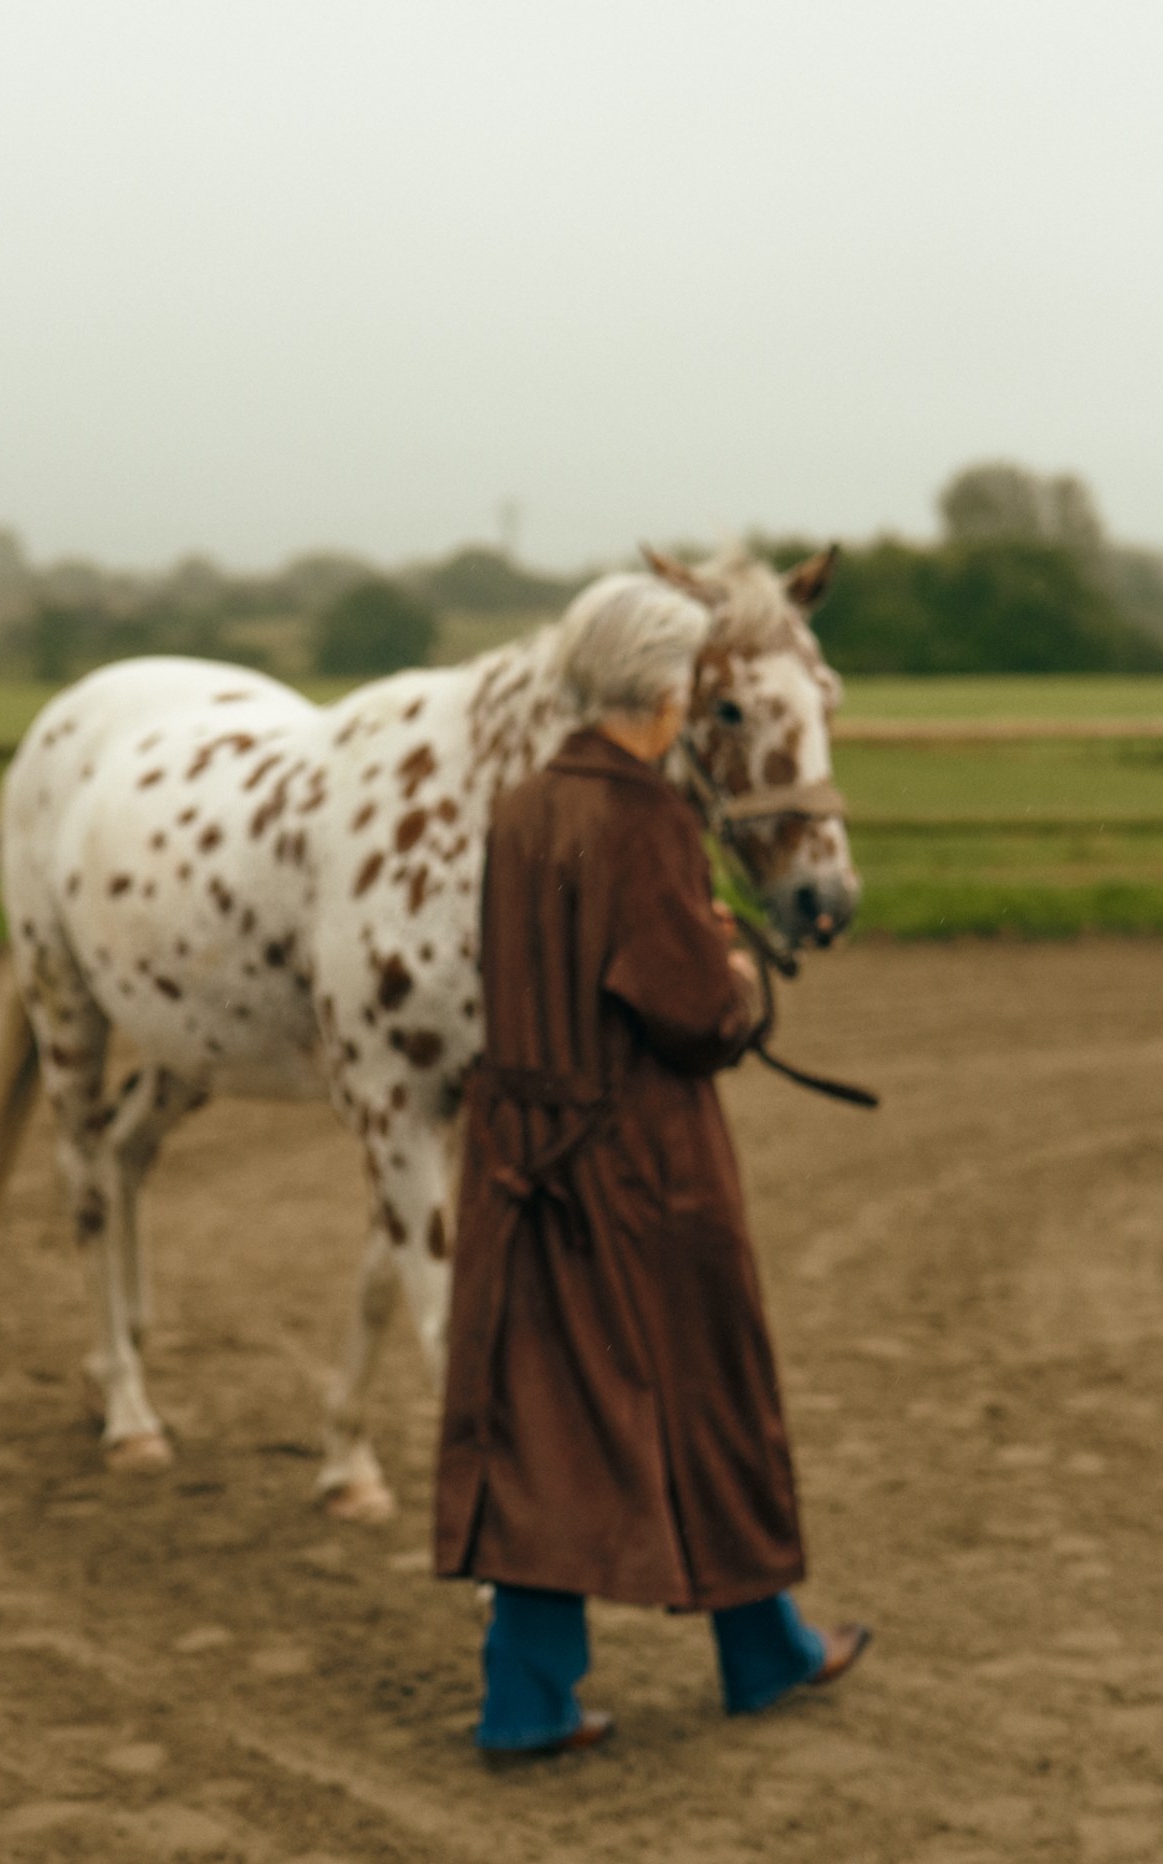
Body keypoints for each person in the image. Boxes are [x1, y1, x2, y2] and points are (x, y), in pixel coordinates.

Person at [430, 573, 870, 1756]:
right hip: (642, 1166)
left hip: (520, 1157)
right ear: (667, 692)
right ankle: (759, 1648)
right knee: (712, 1397)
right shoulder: (646, 822)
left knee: (543, 1427)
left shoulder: (522, 806)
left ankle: (535, 1695)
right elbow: (690, 1019)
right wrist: (730, 974)